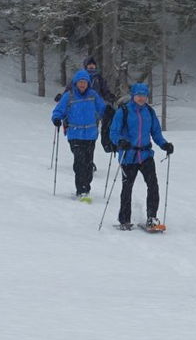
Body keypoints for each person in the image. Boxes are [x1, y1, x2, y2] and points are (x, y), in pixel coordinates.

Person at [107, 81, 174, 230]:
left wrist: (164, 144)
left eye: (144, 96)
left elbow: (156, 133)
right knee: (127, 187)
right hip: (128, 155)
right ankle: (124, 219)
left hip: (145, 155)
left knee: (153, 185)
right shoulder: (123, 111)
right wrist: (120, 141)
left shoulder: (149, 112)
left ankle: (152, 217)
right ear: (133, 96)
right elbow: (113, 132)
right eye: (138, 95)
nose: (141, 98)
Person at [52, 68, 107, 201]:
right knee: (79, 162)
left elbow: (103, 109)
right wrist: (56, 118)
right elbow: (59, 110)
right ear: (75, 83)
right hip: (75, 135)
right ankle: (81, 190)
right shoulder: (69, 96)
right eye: (80, 82)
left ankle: (86, 187)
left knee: (88, 164)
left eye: (85, 82)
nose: (82, 84)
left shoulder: (93, 95)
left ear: (88, 83)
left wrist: (109, 112)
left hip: (90, 135)